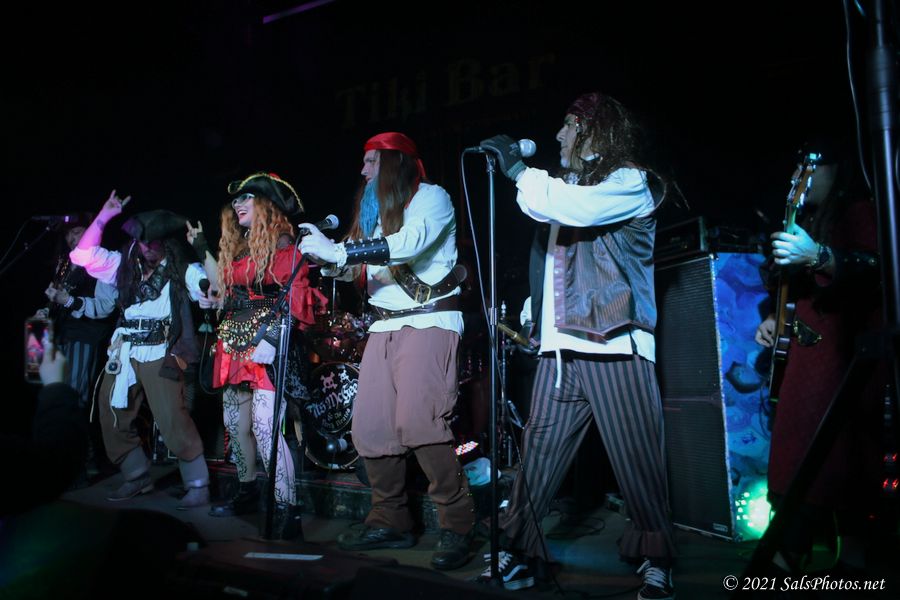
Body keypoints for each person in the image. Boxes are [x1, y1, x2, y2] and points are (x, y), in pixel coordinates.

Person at [474, 92, 677, 599]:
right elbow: (550, 244)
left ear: (595, 130)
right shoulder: (565, 190)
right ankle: (518, 547)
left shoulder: (631, 181)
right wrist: (535, 311)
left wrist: (518, 169)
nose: (559, 135)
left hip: (616, 346)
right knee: (538, 453)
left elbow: (569, 208)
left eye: (569, 125)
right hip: (561, 352)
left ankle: (657, 558)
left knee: (637, 458)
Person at [299, 132, 475, 570]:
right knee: (371, 427)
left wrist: (339, 250)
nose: (363, 170)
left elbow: (409, 244)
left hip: (429, 320)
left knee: (419, 422)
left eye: (372, 161)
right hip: (384, 325)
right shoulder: (374, 216)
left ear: (396, 162)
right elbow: (359, 269)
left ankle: (458, 526)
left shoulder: (432, 198)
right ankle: (389, 520)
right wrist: (330, 261)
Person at [755, 142, 882, 577]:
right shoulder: (804, 218)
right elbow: (786, 285)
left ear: (836, 170)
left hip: (846, 352)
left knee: (841, 455)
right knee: (796, 452)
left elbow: (877, 269)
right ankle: (799, 551)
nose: (801, 174)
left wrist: (820, 256)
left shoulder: (860, 212)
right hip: (806, 353)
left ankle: (837, 557)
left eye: (812, 166)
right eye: (798, 165)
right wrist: (773, 316)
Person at [69, 191, 211, 509]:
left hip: (162, 351)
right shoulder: (123, 266)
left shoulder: (181, 269)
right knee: (110, 410)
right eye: (142, 242)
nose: (147, 247)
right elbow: (81, 255)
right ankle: (136, 475)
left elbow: (207, 288)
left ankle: (198, 483)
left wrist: (206, 287)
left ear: (165, 243)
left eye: (153, 242)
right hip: (125, 351)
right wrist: (104, 216)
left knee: (172, 418)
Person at [204, 172, 324, 539]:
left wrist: (273, 339)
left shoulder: (284, 243)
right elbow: (233, 289)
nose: (238, 204)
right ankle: (247, 489)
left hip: (268, 343)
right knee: (234, 424)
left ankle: (288, 508)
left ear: (267, 206)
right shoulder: (240, 246)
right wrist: (216, 300)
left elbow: (298, 297)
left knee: (264, 425)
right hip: (234, 342)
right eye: (236, 199)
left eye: (247, 198)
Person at [40, 216, 118, 481]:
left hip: (85, 337)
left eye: (78, 232)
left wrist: (69, 301)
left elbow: (105, 308)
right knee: (57, 394)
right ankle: (66, 458)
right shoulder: (66, 263)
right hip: (61, 334)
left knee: (76, 398)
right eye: (69, 234)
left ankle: (84, 462)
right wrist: (47, 309)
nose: (73, 238)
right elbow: (59, 299)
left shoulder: (104, 262)